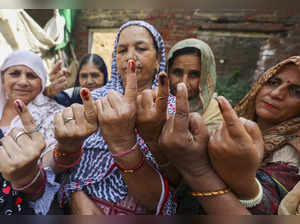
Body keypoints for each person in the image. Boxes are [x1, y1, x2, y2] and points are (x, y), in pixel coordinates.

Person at [58, 21, 176, 215]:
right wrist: (76, 195)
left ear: (157, 60)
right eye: (122, 50)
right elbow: (71, 164)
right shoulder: (94, 100)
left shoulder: (169, 109)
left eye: (141, 48)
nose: (130, 56)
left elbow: (176, 181)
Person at [0, 50, 97, 215]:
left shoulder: (55, 113)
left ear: (42, 82)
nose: (22, 82)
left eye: (31, 75)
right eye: (15, 73)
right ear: (2, 78)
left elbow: (53, 163)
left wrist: (66, 148)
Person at [208, 56, 300, 214]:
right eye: (274, 82)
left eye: (296, 92)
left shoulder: (292, 155)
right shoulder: (227, 125)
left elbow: (270, 206)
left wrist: (244, 180)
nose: (277, 93)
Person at [167, 38, 222, 132]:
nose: (183, 83)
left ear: (206, 78)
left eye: (193, 75)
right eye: (177, 72)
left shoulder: (214, 113)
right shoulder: (156, 104)